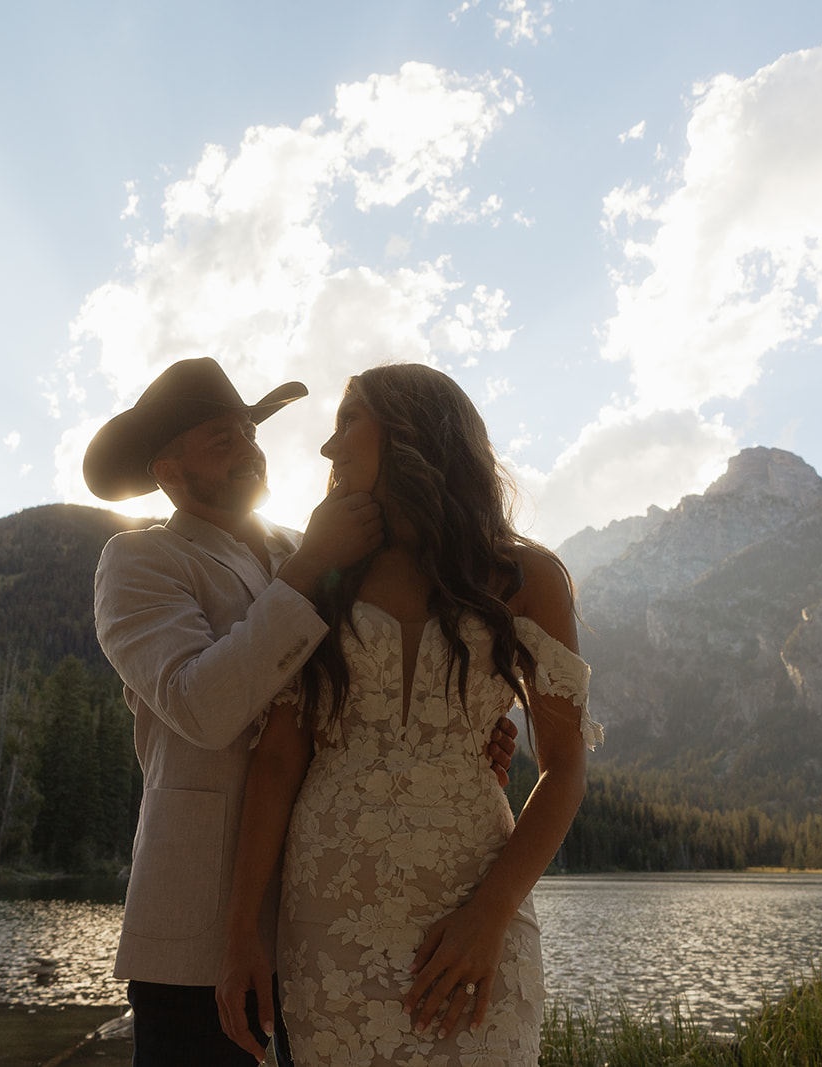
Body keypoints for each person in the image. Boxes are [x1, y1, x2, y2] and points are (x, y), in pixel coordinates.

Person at [87, 357, 517, 1066]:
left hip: (330, 913)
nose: (250, 451)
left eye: (249, 434)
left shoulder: (310, 547)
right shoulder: (138, 561)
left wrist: (464, 727)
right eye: (221, 440)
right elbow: (201, 704)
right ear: (168, 470)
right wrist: (312, 562)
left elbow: (369, 685)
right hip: (196, 927)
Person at [217, 363, 603, 1065]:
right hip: (329, 918)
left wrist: (490, 915)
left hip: (477, 894)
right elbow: (277, 757)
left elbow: (566, 767)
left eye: (347, 421)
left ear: (411, 428)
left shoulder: (526, 577)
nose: (330, 450)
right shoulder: (320, 575)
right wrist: (243, 927)